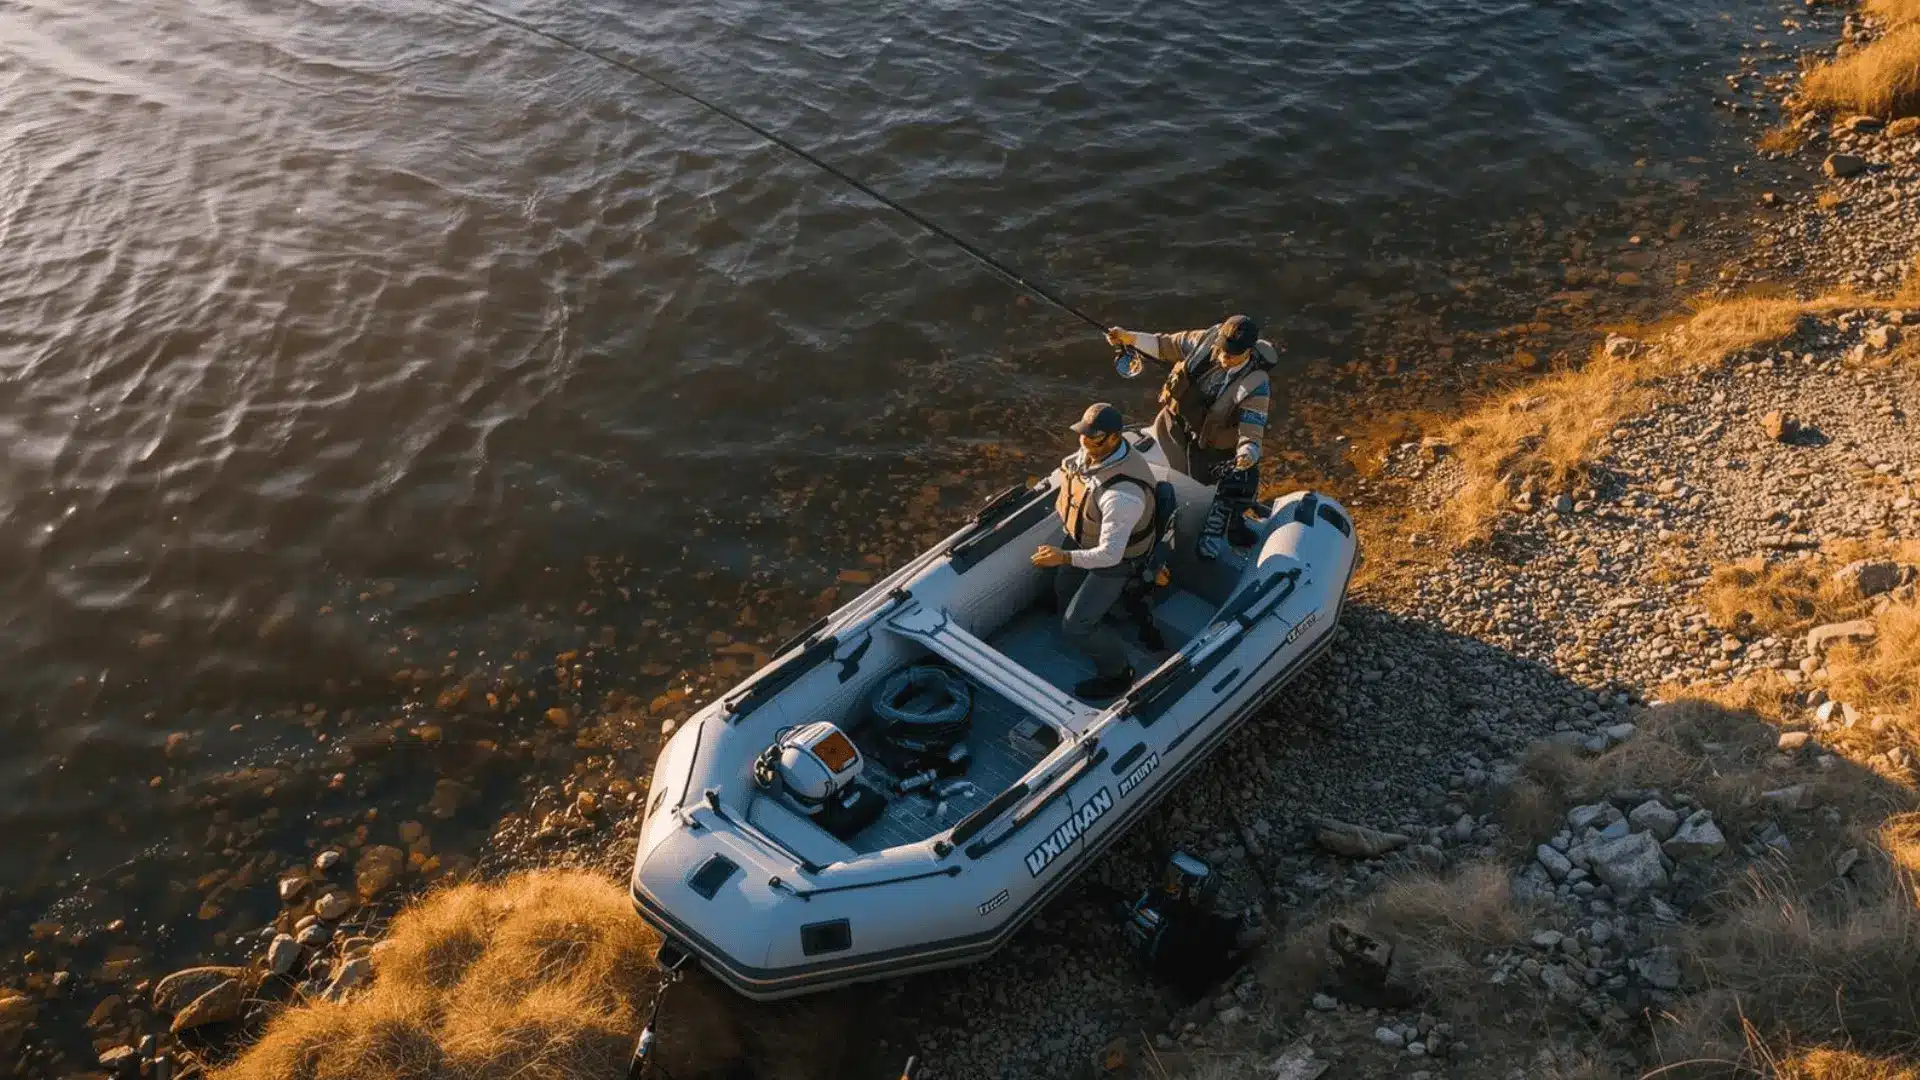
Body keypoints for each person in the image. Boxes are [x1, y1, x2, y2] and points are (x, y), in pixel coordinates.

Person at [1105, 315, 1277, 558]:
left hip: (1212, 444)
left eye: (1231, 355)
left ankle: (1222, 523)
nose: (1223, 358)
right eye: (1222, 350)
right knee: (1187, 485)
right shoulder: (1204, 340)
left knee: (1235, 480)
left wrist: (1247, 452)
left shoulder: (1256, 384)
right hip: (1174, 428)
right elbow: (1163, 345)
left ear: (1248, 352)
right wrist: (1128, 337)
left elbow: (1252, 426)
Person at [1031, 402, 1157, 700]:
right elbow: (1076, 464)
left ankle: (1118, 673)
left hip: (1117, 559)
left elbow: (1109, 555)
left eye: (1092, 438)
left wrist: (1062, 556)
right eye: (1082, 436)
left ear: (1114, 438)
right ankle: (1084, 622)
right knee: (1063, 586)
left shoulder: (1122, 495)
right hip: (1083, 538)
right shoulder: (1092, 451)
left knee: (1076, 626)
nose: (1084, 443)